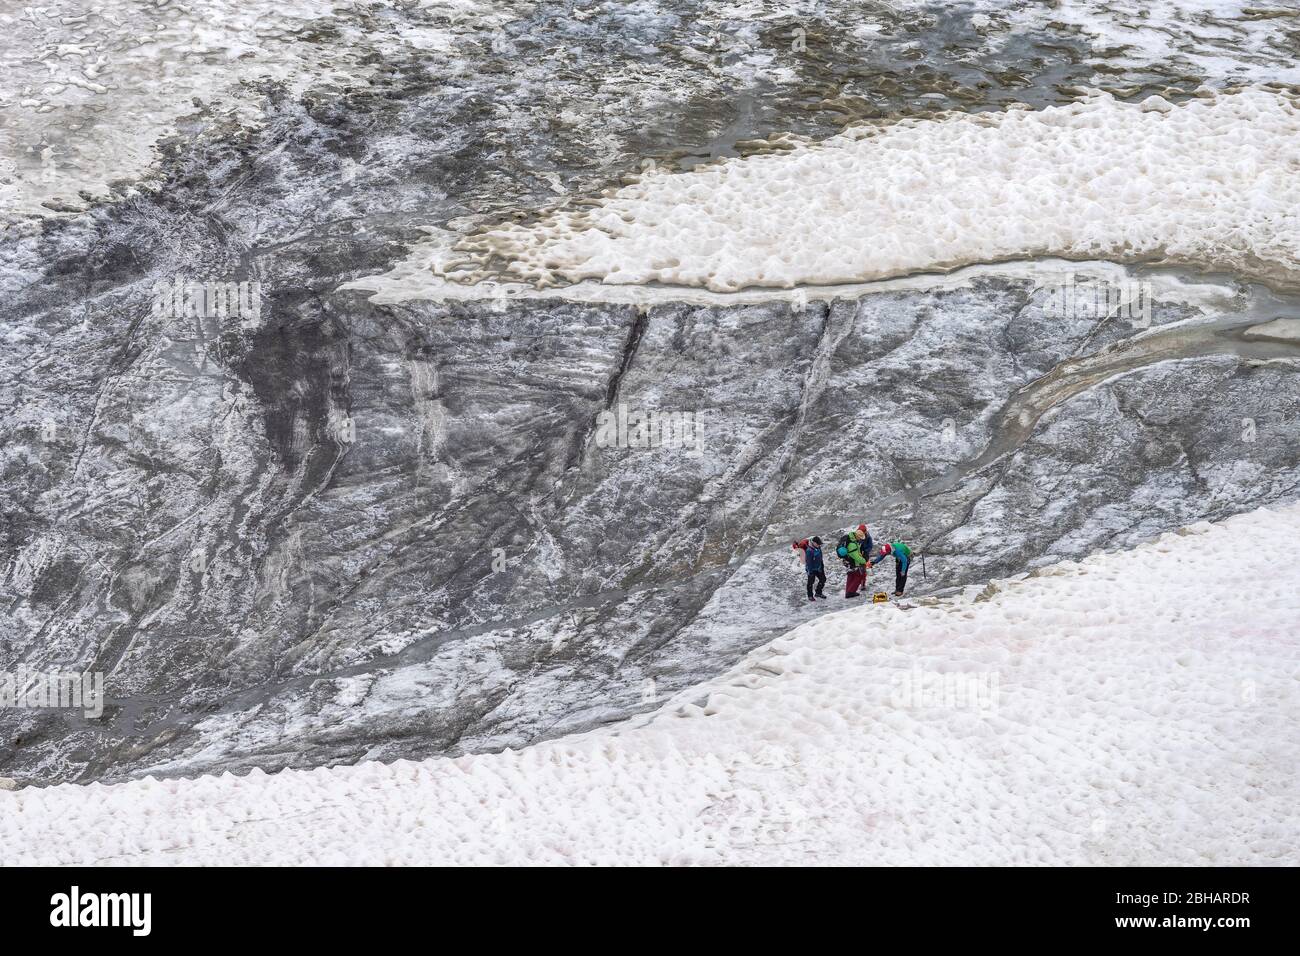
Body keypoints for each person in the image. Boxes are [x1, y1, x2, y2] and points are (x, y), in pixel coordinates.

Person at [837, 524, 873, 598]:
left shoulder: (851, 538)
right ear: (858, 537)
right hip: (853, 562)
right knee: (858, 576)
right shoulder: (852, 544)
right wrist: (864, 561)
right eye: (860, 538)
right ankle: (851, 592)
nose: (860, 540)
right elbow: (856, 557)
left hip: (847, 561)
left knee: (851, 576)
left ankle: (848, 591)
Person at [792, 536, 827, 601]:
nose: (819, 545)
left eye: (820, 544)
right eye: (818, 543)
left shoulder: (818, 547)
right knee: (811, 582)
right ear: (813, 543)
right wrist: (810, 572)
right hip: (811, 569)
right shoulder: (809, 551)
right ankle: (810, 595)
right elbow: (809, 563)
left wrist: (821, 565)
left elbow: (820, 556)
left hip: (819, 567)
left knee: (823, 579)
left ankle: (818, 592)